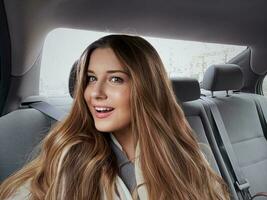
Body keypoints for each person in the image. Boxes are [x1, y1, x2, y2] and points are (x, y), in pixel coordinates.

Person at [0, 34, 230, 200]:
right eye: (90, 79)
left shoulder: (189, 155)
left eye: (115, 79)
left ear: (146, 88)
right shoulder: (70, 156)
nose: (96, 93)